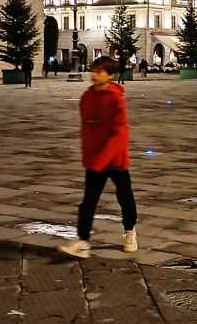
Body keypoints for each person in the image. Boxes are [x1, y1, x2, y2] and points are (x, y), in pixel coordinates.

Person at [59, 56, 138, 259]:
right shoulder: (87, 97)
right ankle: (83, 241)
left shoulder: (115, 98)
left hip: (115, 159)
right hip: (95, 159)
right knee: (88, 201)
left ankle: (130, 231)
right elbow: (87, 129)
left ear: (110, 76)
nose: (94, 75)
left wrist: (102, 159)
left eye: (99, 72)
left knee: (125, 197)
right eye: (93, 71)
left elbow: (120, 132)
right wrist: (90, 157)